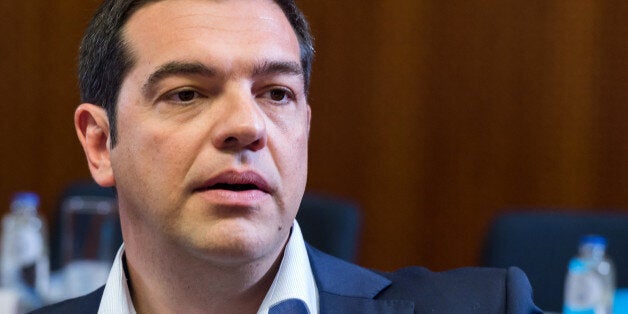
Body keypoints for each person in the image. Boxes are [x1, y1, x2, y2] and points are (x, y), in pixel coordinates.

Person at [33, 0, 542, 313]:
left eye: (276, 94)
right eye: (187, 94)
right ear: (100, 144)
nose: (247, 127)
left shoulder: (490, 308)